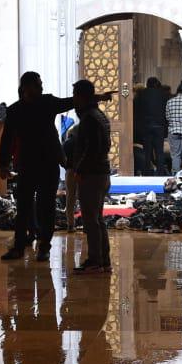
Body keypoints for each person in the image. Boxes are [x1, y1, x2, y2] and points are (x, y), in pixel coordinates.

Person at [0, 71, 87, 262]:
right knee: (23, 208)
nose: (41, 88)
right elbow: (6, 139)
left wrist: (95, 97)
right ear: (26, 88)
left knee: (46, 207)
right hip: (26, 164)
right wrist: (2, 164)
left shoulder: (47, 102)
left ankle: (44, 246)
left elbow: (69, 102)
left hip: (48, 163)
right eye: (38, 85)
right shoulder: (15, 110)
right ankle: (19, 246)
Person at [66, 79, 113, 272]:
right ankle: (103, 260)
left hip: (92, 174)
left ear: (82, 96)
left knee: (91, 220)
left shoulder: (89, 119)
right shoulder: (98, 115)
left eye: (76, 95)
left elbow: (91, 149)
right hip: (101, 172)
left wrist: (79, 170)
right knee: (97, 218)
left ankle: (95, 261)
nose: (74, 100)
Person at [133, 76, 168, 176]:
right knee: (159, 152)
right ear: (156, 84)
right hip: (159, 126)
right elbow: (166, 112)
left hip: (146, 127)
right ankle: (160, 173)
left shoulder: (141, 94)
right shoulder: (163, 94)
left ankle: (147, 172)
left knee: (147, 152)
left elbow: (136, 112)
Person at [165, 82, 182, 175]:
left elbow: (167, 117)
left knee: (175, 156)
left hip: (173, 131)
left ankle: (176, 175)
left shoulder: (170, 101)